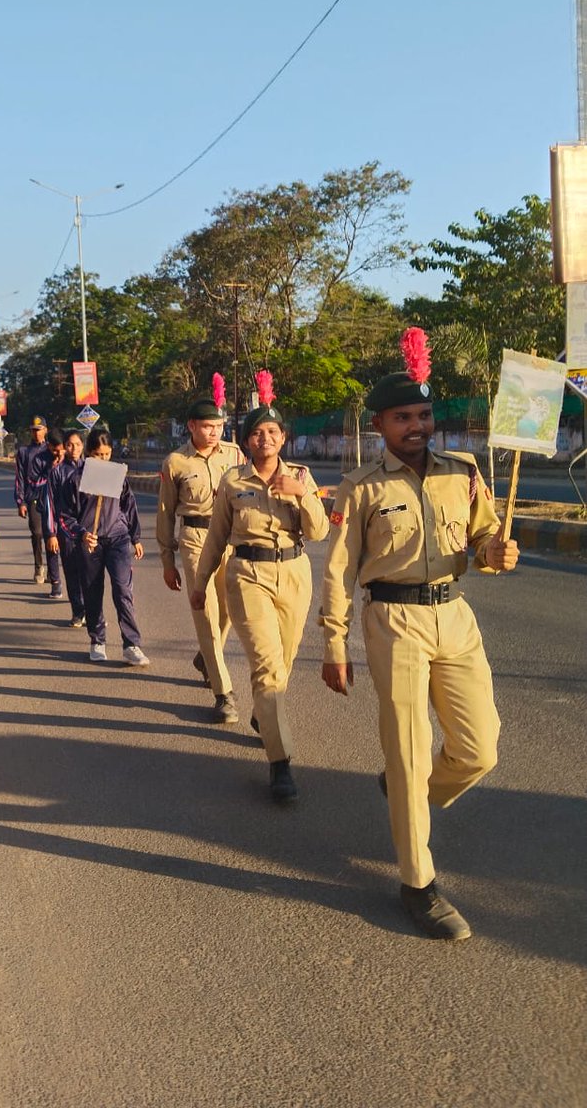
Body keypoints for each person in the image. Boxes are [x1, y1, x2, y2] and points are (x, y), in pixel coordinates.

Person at [319, 331, 519, 941]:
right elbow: (338, 571)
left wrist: (495, 552)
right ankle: (418, 883)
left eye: (424, 415)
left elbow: (482, 538)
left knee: (479, 749)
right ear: (379, 424)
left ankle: (409, 791)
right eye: (402, 417)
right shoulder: (362, 487)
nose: (416, 426)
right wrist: (334, 644)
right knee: (407, 750)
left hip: (455, 618)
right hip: (394, 621)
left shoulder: (463, 473)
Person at [191, 374, 328, 801]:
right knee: (267, 667)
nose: (264, 438)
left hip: (294, 574)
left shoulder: (302, 476)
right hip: (247, 575)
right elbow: (216, 537)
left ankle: (265, 717)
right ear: (246, 441)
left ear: (283, 438)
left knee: (284, 663)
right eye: (256, 433)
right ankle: (280, 761)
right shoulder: (233, 481)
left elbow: (319, 532)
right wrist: (200, 583)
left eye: (272, 431)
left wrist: (302, 495)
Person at [156, 382, 242, 723]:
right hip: (195, 538)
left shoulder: (234, 454)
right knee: (205, 613)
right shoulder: (175, 462)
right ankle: (224, 693)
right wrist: (167, 561)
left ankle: (205, 657)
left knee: (230, 610)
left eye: (218, 426)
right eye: (207, 426)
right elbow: (165, 513)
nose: (214, 432)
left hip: (230, 538)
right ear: (191, 426)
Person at [58, 427, 149, 666]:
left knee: (123, 590)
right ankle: (97, 640)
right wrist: (81, 534)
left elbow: (129, 506)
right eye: (98, 455)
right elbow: (65, 517)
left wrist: (135, 537)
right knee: (92, 591)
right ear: (89, 453)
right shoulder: (74, 480)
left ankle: (131, 644)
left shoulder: (117, 476)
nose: (104, 459)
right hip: (90, 543)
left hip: (118, 539)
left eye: (107, 454)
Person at [44, 428, 89, 621]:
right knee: (72, 571)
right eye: (70, 445)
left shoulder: (90, 469)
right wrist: (51, 533)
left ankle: (93, 612)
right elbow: (50, 504)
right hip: (66, 529)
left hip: (88, 530)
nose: (74, 448)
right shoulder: (57, 472)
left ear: (83, 446)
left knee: (90, 572)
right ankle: (78, 611)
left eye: (78, 444)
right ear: (64, 447)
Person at [14, 414, 49, 582]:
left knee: (52, 533)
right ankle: (38, 566)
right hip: (33, 497)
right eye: (34, 430)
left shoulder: (51, 450)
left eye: (39, 430)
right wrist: (20, 501)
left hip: (51, 497)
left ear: (45, 430)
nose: (37, 433)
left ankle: (53, 569)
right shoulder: (24, 452)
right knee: (37, 533)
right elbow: (19, 477)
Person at [35, 427, 66, 599]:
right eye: (55, 450)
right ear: (49, 446)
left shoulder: (73, 461)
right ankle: (55, 582)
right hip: (48, 508)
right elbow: (34, 482)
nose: (59, 453)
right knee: (52, 545)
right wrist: (51, 470)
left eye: (62, 449)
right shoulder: (40, 460)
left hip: (69, 513)